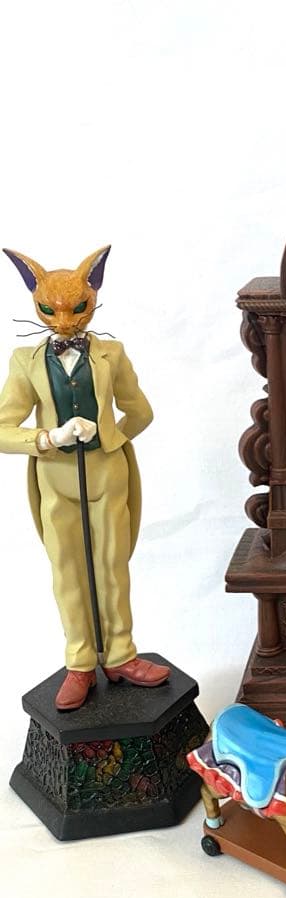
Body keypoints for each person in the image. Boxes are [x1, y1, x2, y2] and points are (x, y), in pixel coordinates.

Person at [0, 246, 169, 709]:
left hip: (106, 476)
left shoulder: (112, 354)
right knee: (68, 571)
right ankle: (79, 661)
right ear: (34, 299)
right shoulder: (25, 361)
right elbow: (3, 429)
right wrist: (48, 437)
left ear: (94, 293)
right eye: (50, 310)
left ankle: (120, 655)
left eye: (76, 308)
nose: (64, 322)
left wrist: (109, 433)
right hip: (56, 482)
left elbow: (141, 411)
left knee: (113, 566)